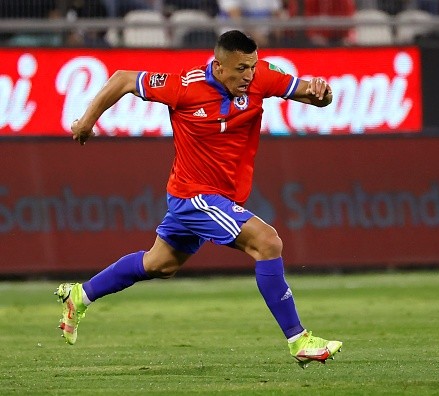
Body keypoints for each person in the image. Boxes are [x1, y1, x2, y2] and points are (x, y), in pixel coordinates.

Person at [55, 29, 342, 368]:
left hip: (210, 196)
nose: (248, 76)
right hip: (196, 196)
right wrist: (87, 123)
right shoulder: (184, 87)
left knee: (159, 264)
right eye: (240, 69)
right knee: (267, 242)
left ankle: (80, 295)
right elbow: (122, 79)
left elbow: (312, 95)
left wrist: (322, 93)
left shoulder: (262, 76)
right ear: (219, 67)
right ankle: (299, 340)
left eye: (252, 67)